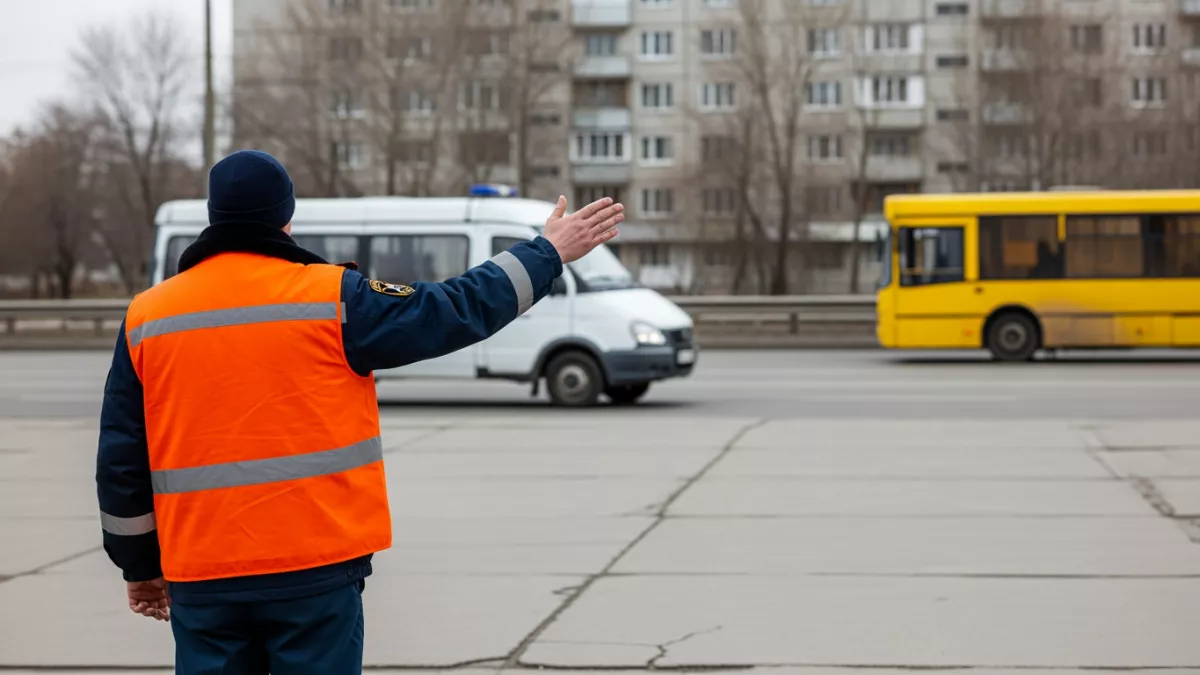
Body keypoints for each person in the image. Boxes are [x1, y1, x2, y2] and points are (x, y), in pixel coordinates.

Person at [95, 149, 623, 674]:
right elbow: (454, 309)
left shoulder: (148, 317)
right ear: (286, 217)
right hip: (316, 570)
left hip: (202, 573)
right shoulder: (334, 300)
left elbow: (121, 459)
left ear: (214, 216)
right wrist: (547, 253)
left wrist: (138, 565)